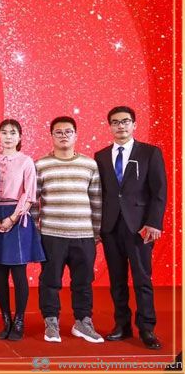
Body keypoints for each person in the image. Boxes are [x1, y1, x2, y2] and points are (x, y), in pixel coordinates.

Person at [95, 106, 166, 350]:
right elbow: (100, 193)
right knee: (117, 280)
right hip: (110, 226)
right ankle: (122, 325)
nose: (121, 126)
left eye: (125, 121)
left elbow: (159, 191)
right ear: (110, 126)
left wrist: (154, 222)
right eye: (115, 122)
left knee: (142, 278)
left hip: (140, 227)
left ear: (134, 124)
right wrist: (98, 227)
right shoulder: (101, 156)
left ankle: (147, 328)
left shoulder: (149, 153)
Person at [34, 116, 103, 344]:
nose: (63, 135)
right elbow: (33, 202)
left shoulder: (89, 165)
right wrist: (35, 231)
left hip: (84, 235)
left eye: (68, 132)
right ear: (51, 136)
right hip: (51, 234)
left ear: (76, 135)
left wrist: (96, 232)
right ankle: (51, 322)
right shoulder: (41, 165)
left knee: (83, 282)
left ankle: (83, 322)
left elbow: (96, 201)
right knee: (50, 281)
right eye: (59, 132)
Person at [0, 119, 45, 341]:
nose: (8, 136)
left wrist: (13, 218)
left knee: (18, 271)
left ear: (20, 137)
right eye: (4, 132)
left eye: (13, 133)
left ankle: (20, 320)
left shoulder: (26, 161)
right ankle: (6, 320)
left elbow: (29, 194)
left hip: (18, 215)